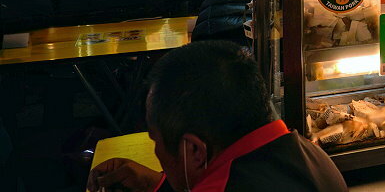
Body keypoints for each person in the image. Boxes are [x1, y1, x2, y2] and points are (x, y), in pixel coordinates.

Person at [87, 41, 348, 192]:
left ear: (195, 150)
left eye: (155, 141)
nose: (156, 152)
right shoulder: (309, 155)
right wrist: (157, 184)